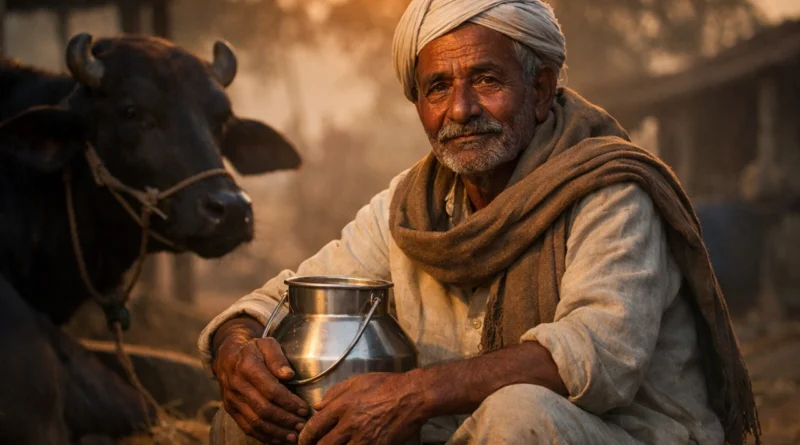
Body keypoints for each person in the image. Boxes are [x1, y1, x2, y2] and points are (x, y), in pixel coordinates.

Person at [198, 1, 761, 444]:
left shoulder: (608, 191)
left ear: (540, 90)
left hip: (625, 435)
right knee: (248, 424)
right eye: (437, 87)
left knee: (519, 416)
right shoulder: (411, 206)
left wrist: (414, 394)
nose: (460, 109)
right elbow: (293, 294)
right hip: (461, 436)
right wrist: (237, 346)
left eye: (486, 80)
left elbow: (598, 356)